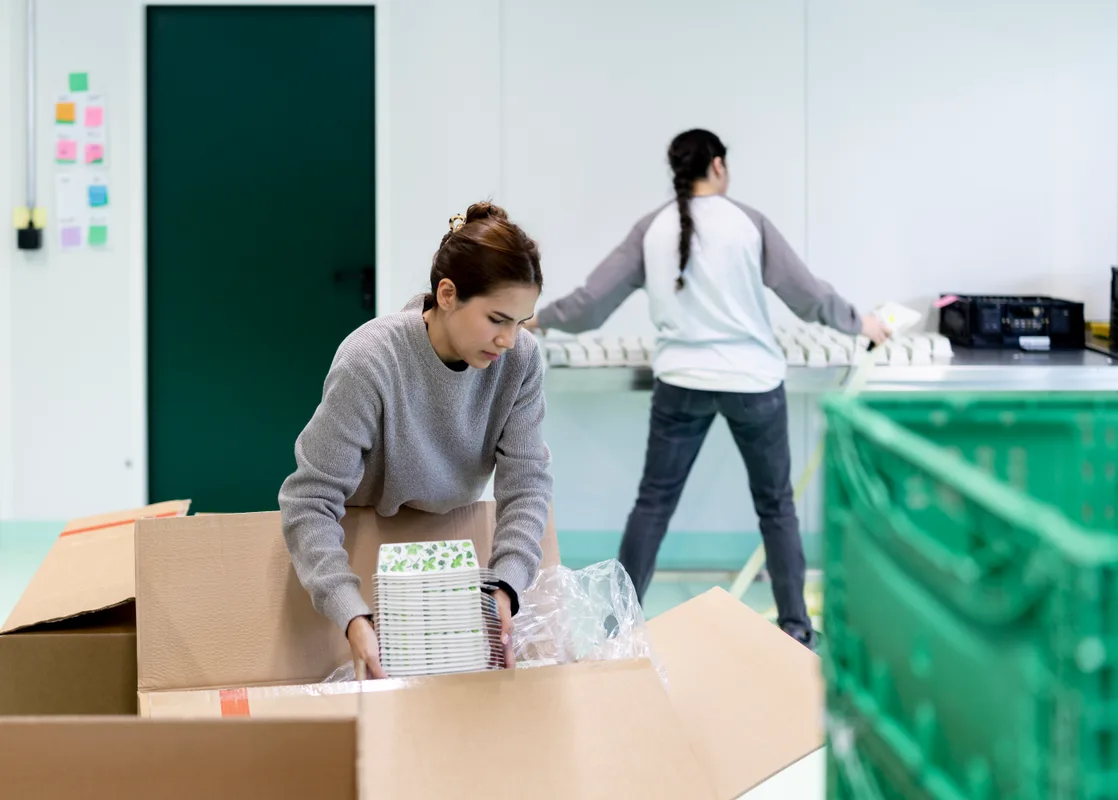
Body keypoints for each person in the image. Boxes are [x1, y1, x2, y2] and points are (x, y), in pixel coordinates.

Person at [530, 130, 887, 649]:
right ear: (717, 166)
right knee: (776, 507)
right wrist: (862, 324)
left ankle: (617, 629)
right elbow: (809, 297)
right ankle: (795, 628)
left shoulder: (650, 228)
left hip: (681, 384)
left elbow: (591, 303)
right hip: (754, 384)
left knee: (653, 503)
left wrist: (536, 318)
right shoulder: (748, 223)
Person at [280, 202, 552, 678]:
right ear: (447, 294)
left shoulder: (521, 361)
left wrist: (505, 586)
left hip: (452, 540)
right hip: (363, 542)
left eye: (520, 321)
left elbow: (526, 484)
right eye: (496, 319)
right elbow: (310, 500)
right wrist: (350, 612)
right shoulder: (371, 360)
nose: (509, 339)